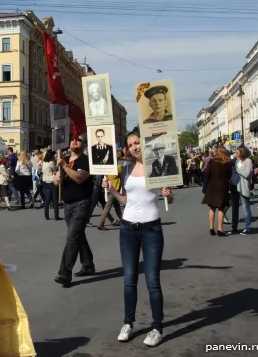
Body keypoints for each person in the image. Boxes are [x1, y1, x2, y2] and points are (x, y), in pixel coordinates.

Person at [103, 128, 173, 347]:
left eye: (137, 143)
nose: (134, 147)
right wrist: (112, 191)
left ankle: (157, 328)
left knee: (152, 280)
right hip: (127, 229)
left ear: (145, 144)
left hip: (151, 229)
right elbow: (126, 200)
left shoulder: (157, 165)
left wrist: (168, 194)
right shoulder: (126, 168)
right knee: (129, 278)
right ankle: (128, 322)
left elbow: (170, 198)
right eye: (131, 144)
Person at [54, 133, 95, 286]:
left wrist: (64, 166)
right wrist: (57, 178)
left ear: (84, 145)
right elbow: (56, 181)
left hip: (81, 203)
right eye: (73, 139)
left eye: (79, 140)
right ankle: (88, 265)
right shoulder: (64, 158)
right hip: (67, 204)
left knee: (72, 238)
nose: (75, 141)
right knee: (79, 236)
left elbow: (79, 178)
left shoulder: (86, 160)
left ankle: (65, 273)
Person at [201, 146, 232, 237]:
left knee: (212, 207)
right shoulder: (227, 162)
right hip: (223, 186)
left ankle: (211, 228)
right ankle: (220, 229)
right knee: (221, 208)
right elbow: (229, 175)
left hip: (212, 185)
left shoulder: (212, 161)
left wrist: (205, 187)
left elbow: (207, 173)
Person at [235, 146, 253, 235]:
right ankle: (234, 227)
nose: (236, 154)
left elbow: (246, 174)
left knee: (246, 207)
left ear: (242, 153)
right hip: (235, 186)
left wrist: (237, 170)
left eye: (237, 152)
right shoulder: (237, 161)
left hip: (243, 186)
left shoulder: (248, 161)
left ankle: (247, 227)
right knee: (231, 205)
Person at [41, 150, 60, 220]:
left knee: (47, 199)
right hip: (52, 180)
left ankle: (46, 215)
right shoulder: (51, 162)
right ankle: (56, 215)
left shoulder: (44, 162)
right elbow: (55, 169)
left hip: (45, 180)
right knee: (55, 199)